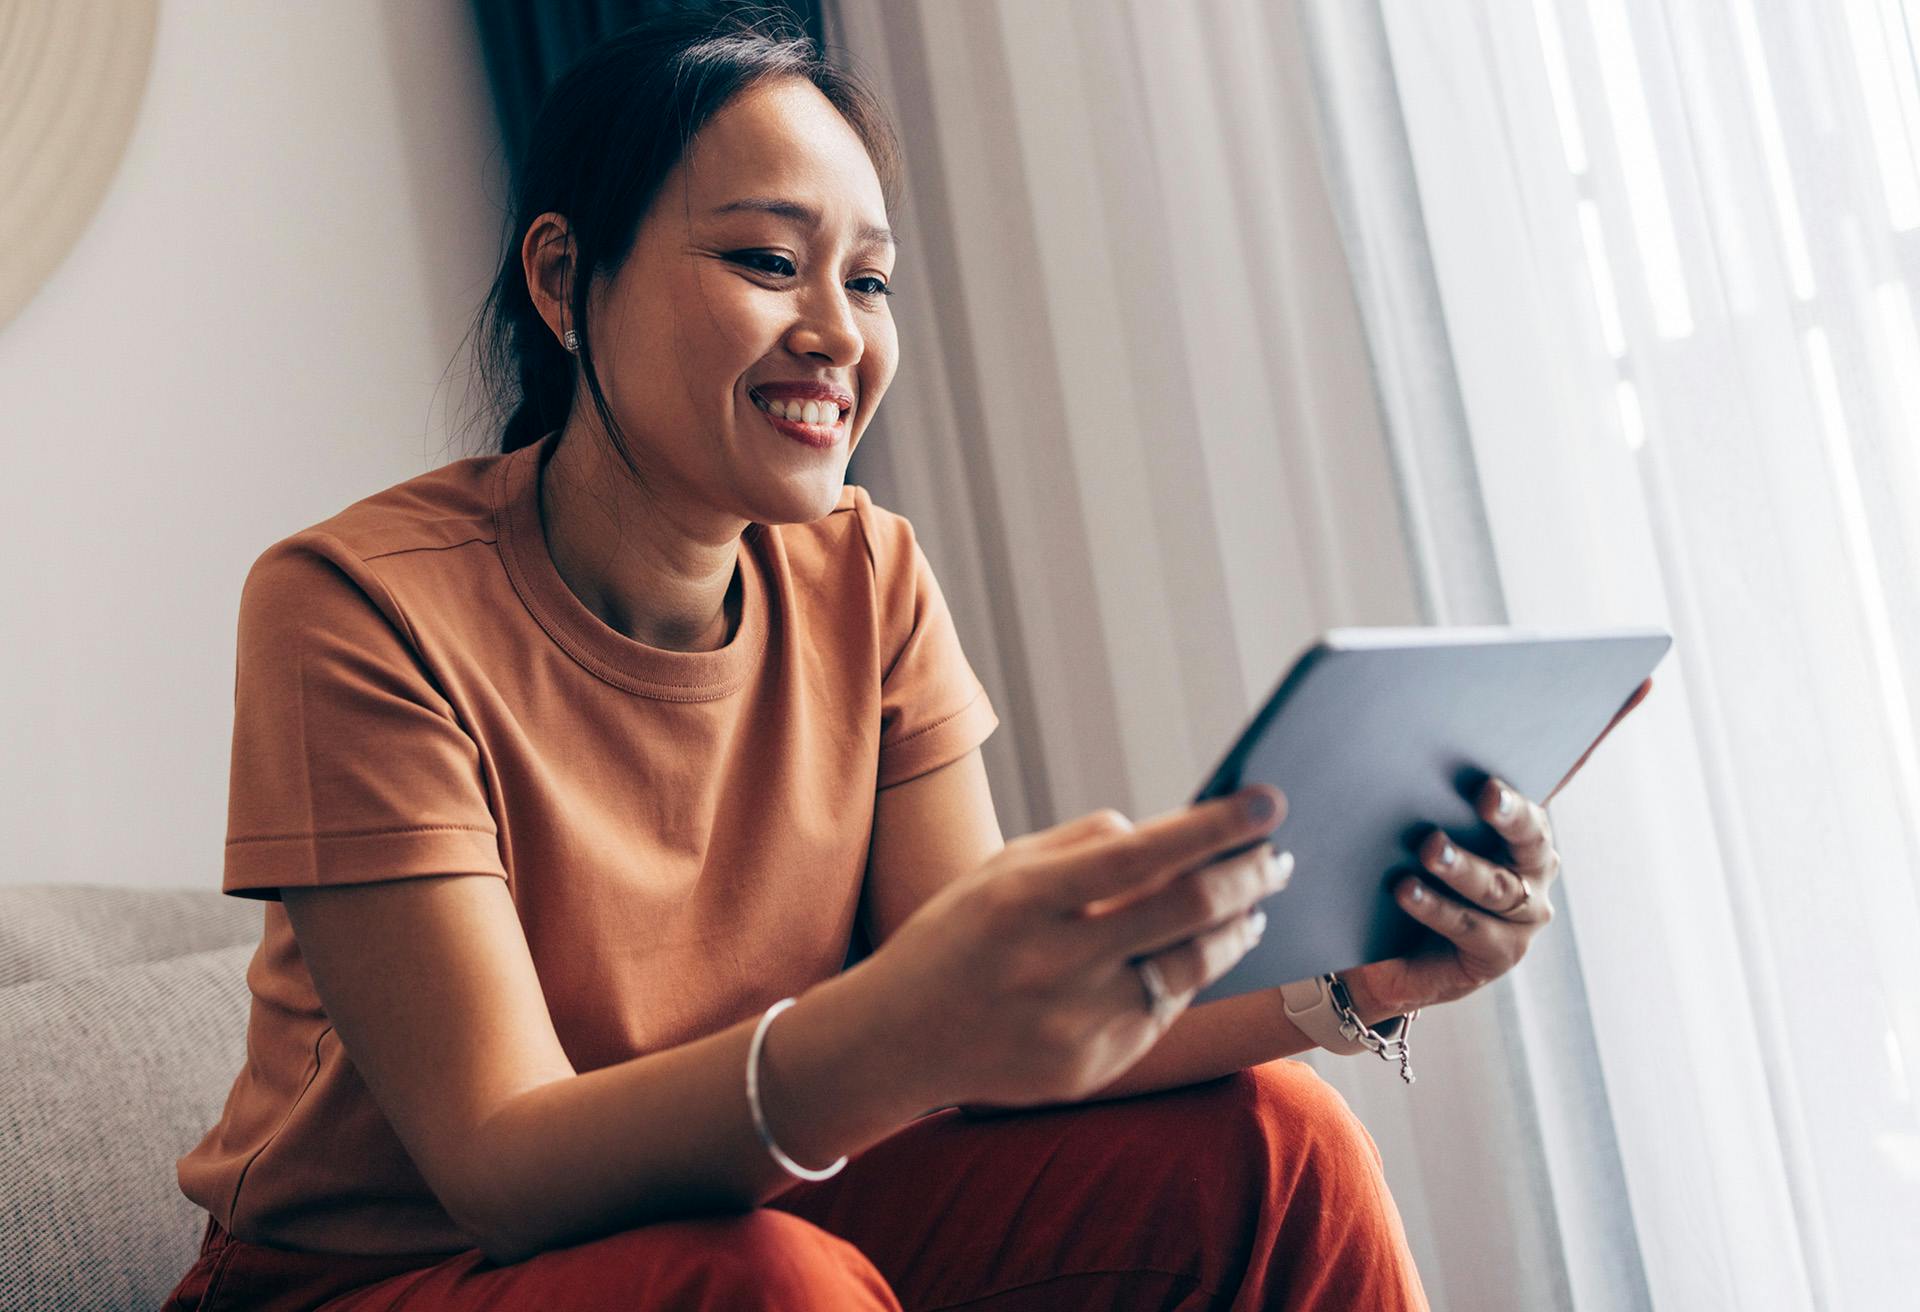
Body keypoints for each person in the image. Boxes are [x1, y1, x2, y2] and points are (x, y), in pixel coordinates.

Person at [162, 9, 1578, 1310]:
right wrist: (903, 1027)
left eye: (872, 278)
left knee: (1282, 1147)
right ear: (563, 279)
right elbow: (501, 1165)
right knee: (774, 1290)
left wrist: (1351, 988)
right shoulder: (353, 608)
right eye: (769, 261)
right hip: (391, 1278)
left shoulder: (867, 571)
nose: (838, 333)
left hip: (765, 1207)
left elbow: (1012, 1034)